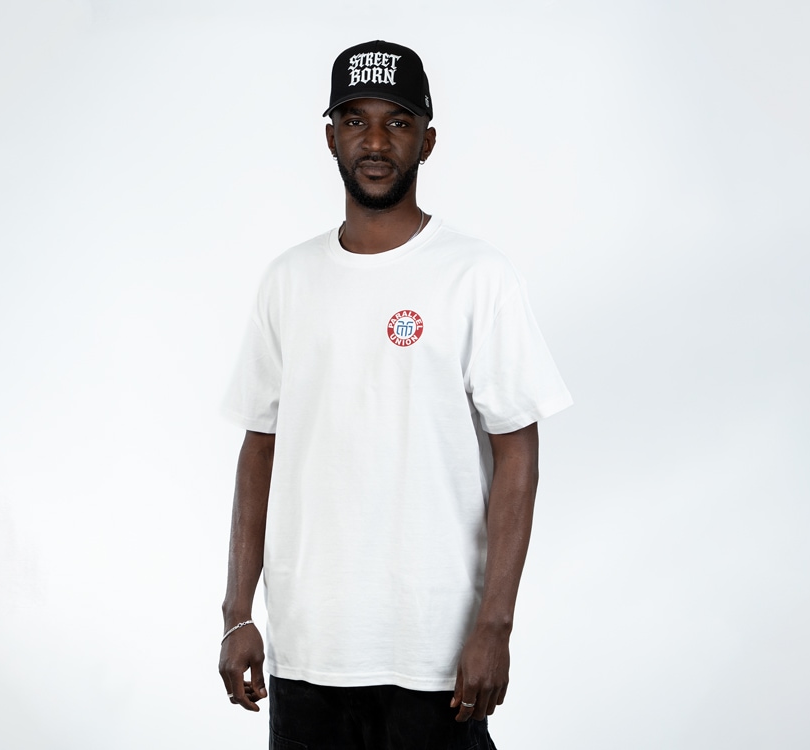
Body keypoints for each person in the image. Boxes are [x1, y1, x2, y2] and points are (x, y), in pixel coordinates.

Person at [218, 40, 572, 749]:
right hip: (310, 648)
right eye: (356, 121)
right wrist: (237, 613)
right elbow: (260, 446)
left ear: (427, 141)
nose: (375, 142)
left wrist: (495, 625)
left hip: (435, 650)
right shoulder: (288, 280)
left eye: (398, 123)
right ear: (331, 138)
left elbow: (518, 454)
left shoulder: (477, 277)